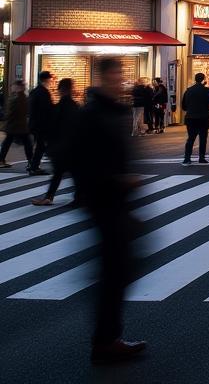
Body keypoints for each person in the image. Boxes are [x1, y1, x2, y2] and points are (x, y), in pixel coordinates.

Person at [71, 56, 146, 363]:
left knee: (121, 265)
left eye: (122, 76)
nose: (120, 82)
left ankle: (107, 336)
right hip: (105, 200)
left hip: (114, 200)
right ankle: (106, 341)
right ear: (101, 77)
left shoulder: (112, 109)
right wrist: (115, 179)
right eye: (115, 76)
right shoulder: (92, 113)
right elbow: (77, 156)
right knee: (116, 268)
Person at [32, 77, 79, 206]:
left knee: (61, 172)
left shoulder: (59, 107)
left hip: (61, 147)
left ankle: (50, 197)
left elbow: (52, 127)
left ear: (61, 90)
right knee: (70, 172)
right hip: (71, 147)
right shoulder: (75, 106)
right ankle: (77, 197)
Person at [181, 72, 209, 165]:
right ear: (203, 79)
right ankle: (201, 157)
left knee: (191, 138)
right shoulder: (207, 91)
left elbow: (184, 106)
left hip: (190, 117)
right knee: (203, 137)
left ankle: (187, 157)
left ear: (195, 79)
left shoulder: (188, 90)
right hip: (203, 116)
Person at [0, 79, 33, 169]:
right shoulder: (20, 97)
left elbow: (10, 112)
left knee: (8, 142)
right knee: (27, 143)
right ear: (20, 87)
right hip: (18, 125)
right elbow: (14, 112)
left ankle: (1, 160)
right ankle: (31, 162)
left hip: (15, 125)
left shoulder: (16, 97)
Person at [26, 70, 54, 174]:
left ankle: (33, 165)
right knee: (41, 146)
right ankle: (34, 166)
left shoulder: (34, 91)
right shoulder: (43, 92)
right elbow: (47, 109)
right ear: (46, 80)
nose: (50, 82)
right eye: (50, 80)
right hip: (41, 124)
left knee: (39, 145)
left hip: (34, 123)